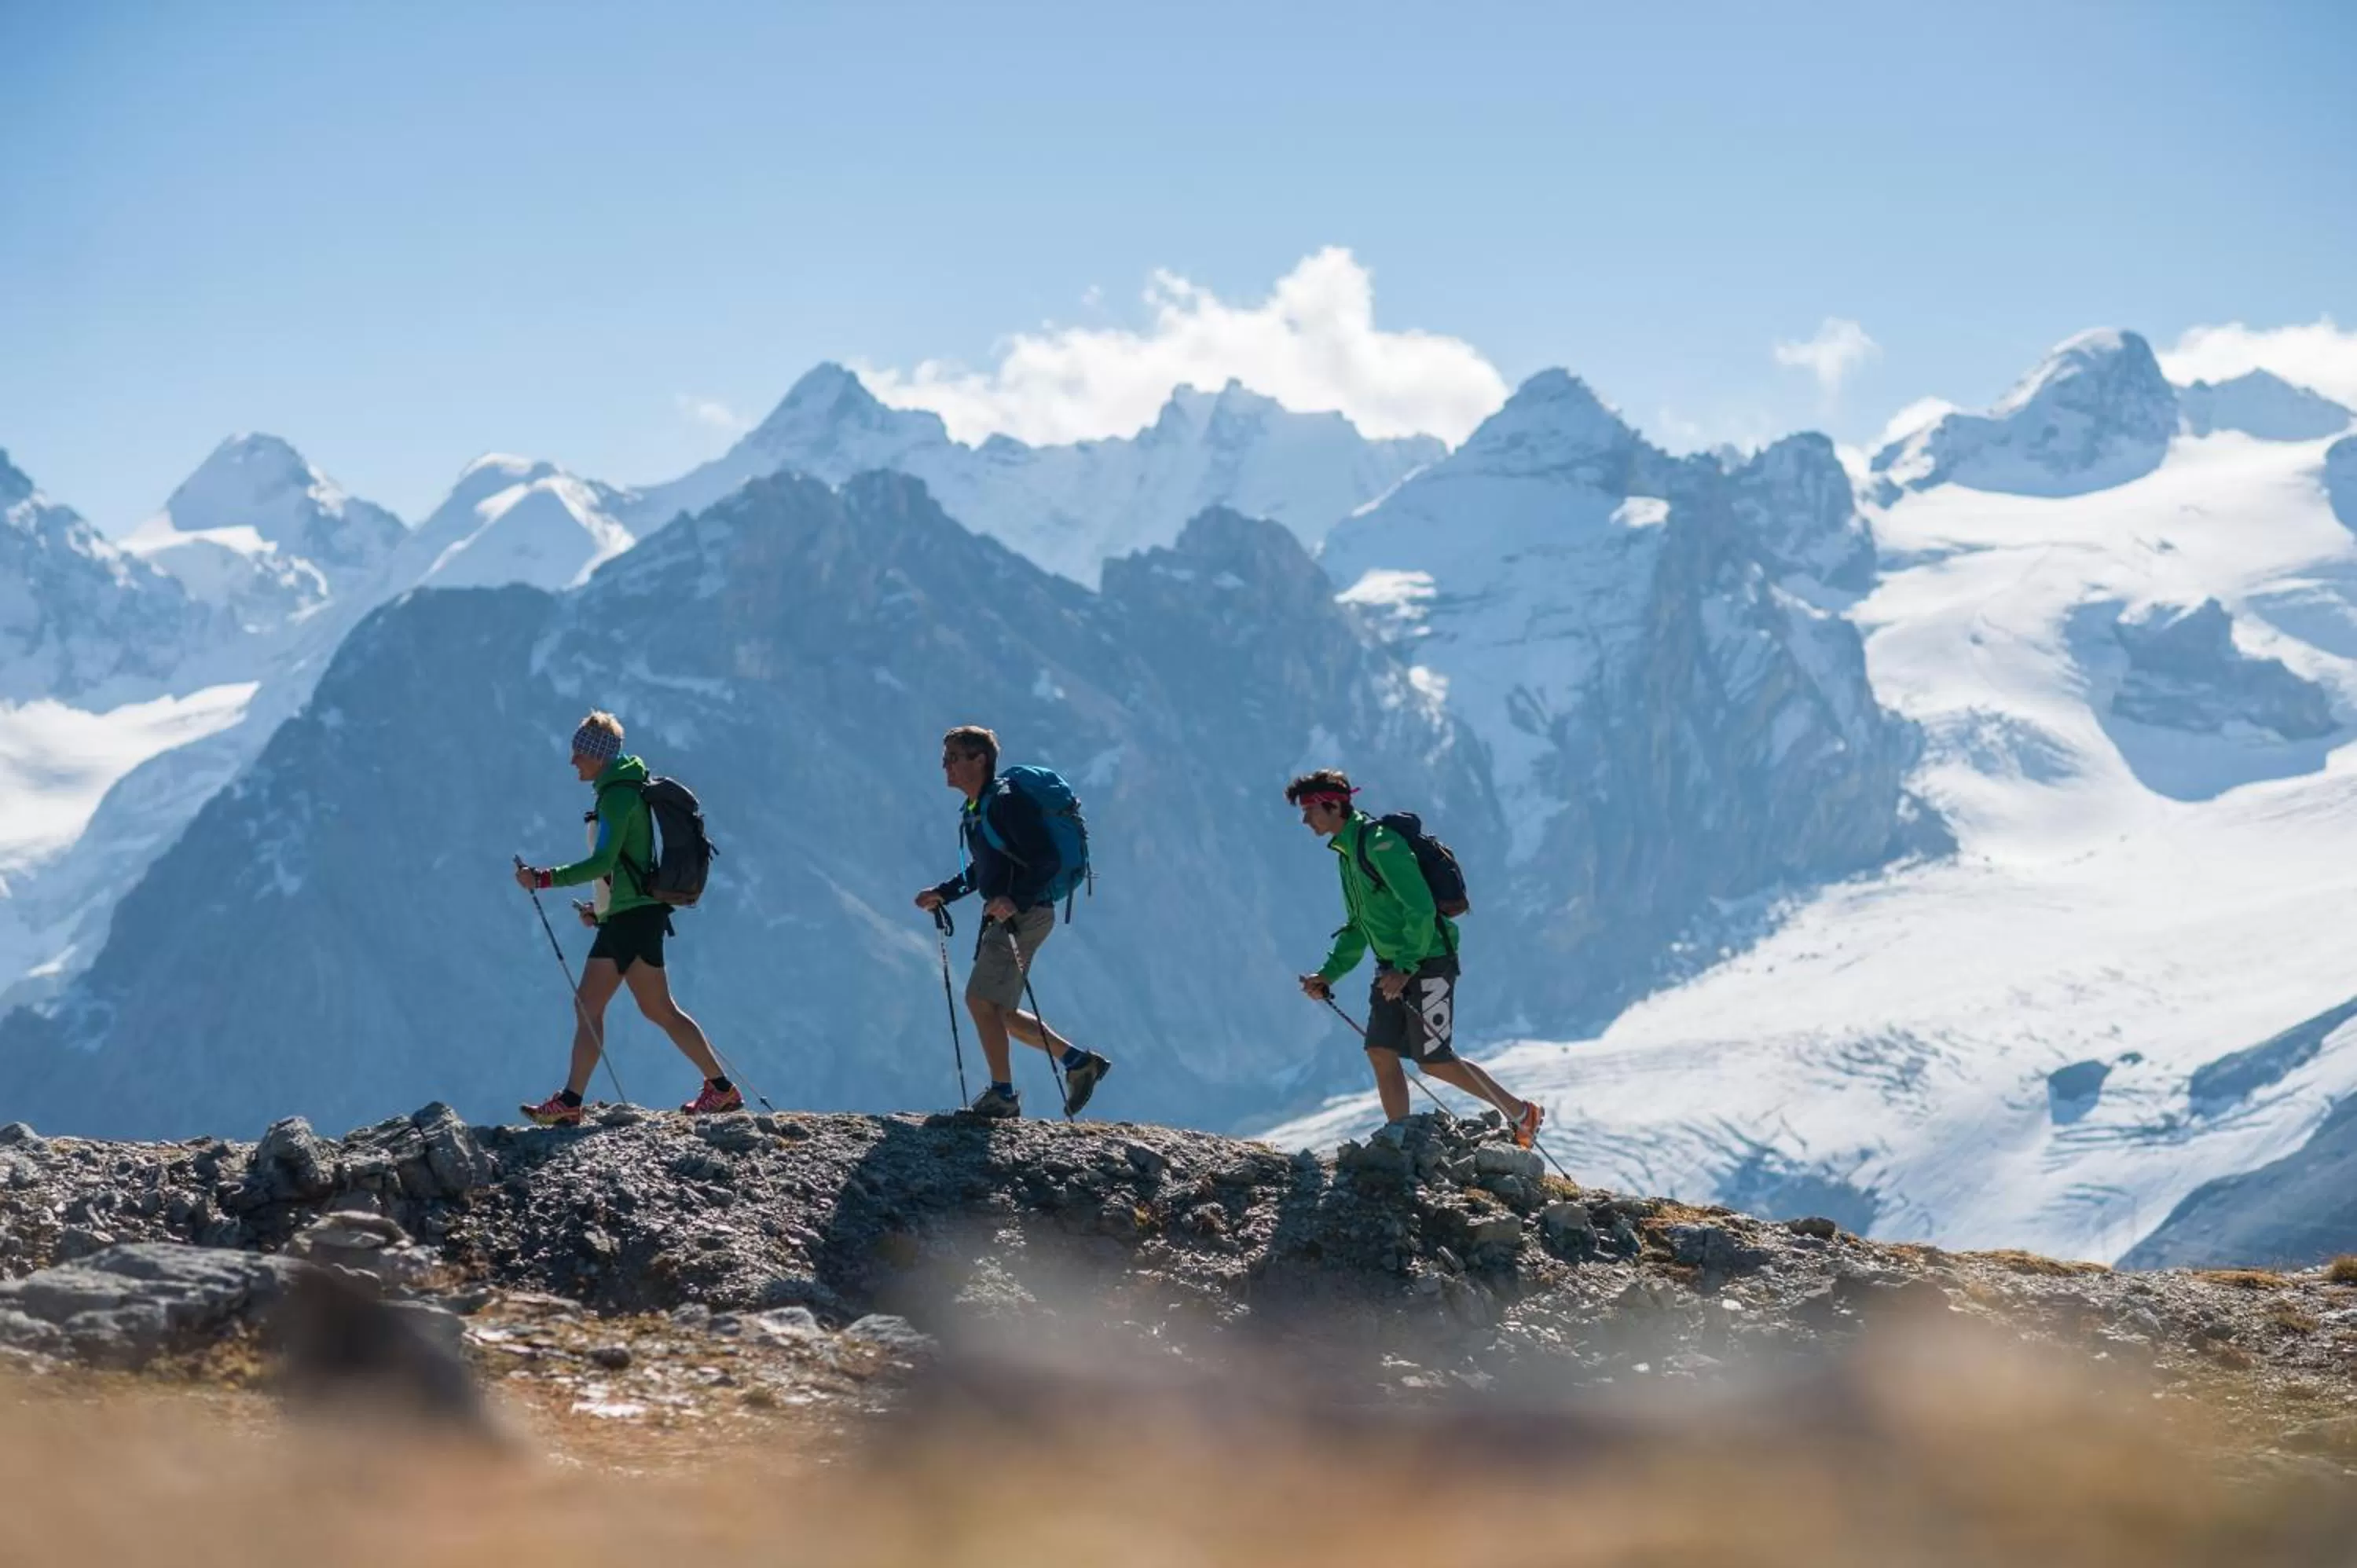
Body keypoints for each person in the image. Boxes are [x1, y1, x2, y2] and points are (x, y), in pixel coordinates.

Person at [1288, 768, 1544, 1149]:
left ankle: (1522, 1113)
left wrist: (1406, 967)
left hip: (1428, 960)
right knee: (1380, 1051)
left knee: (1434, 1060)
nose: (1305, 819)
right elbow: (1359, 926)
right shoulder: (1346, 851)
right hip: (1395, 966)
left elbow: (1421, 908)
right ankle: (1401, 1141)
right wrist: (1328, 975)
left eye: (1310, 810)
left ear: (1334, 805)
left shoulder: (1378, 844)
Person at [512, 711, 739, 1126]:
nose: (573, 761)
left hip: (632, 919)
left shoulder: (618, 795)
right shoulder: (619, 790)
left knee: (590, 1005)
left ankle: (570, 1102)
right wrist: (600, 913)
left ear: (598, 756)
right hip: (635, 917)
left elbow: (602, 860)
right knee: (658, 1010)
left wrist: (542, 878)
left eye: (579, 753)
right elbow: (619, 871)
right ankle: (721, 1090)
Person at [913, 724, 1112, 1118]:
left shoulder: (1005, 802)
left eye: (953, 757)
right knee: (999, 1009)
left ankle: (1003, 1096)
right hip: (1018, 913)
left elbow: (1047, 860)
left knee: (980, 1000)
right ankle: (1076, 1062)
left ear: (979, 759)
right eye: (945, 759)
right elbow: (986, 867)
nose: (945, 767)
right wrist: (945, 893)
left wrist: (1013, 899)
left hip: (1023, 913)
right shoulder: (979, 808)